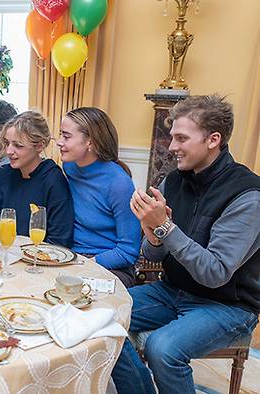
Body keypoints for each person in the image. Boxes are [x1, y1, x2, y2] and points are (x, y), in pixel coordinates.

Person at [112, 94, 260, 394]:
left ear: (213, 139)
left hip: (228, 306)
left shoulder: (248, 195)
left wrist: (165, 227)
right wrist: (152, 232)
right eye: (171, 137)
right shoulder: (174, 181)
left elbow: (215, 272)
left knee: (162, 348)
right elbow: (153, 254)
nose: (171, 147)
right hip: (173, 290)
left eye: (181, 138)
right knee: (101, 318)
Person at [56, 107, 141, 287]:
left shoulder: (119, 184)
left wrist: (88, 265)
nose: (59, 142)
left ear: (90, 142)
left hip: (111, 266)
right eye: (60, 135)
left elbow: (128, 250)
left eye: (66, 136)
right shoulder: (70, 168)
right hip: (72, 258)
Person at [0, 110, 74, 247]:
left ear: (40, 146)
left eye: (18, 145)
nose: (8, 151)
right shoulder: (1, 175)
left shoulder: (53, 180)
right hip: (3, 254)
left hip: (39, 261)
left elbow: (59, 241)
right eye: (7, 143)